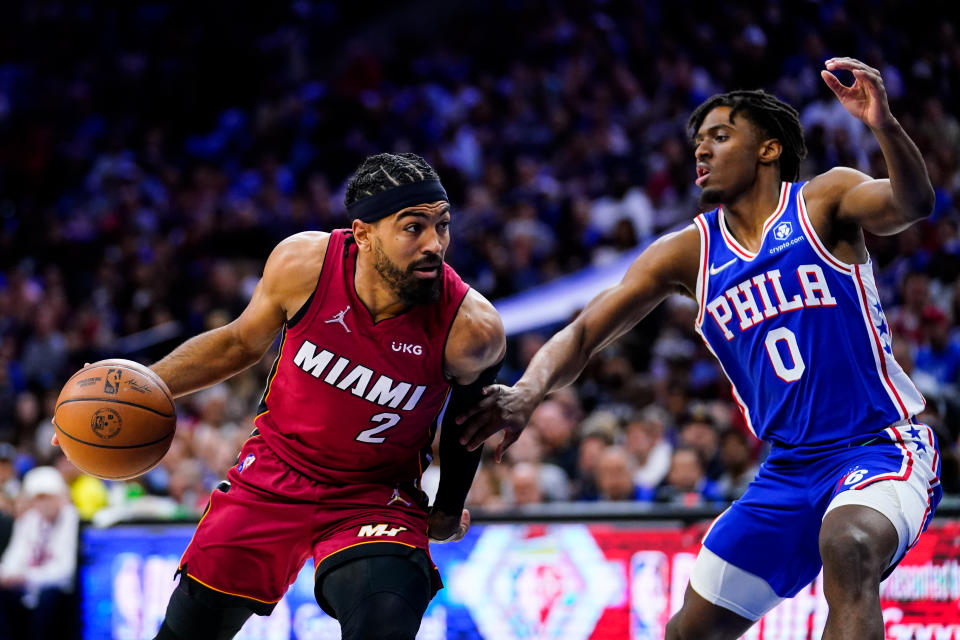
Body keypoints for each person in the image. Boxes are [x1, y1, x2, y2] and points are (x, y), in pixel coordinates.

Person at [458, 57, 939, 639]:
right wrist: (527, 392)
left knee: (849, 546)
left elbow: (913, 205)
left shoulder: (823, 200)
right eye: (697, 143)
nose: (701, 152)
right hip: (788, 469)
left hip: (879, 446)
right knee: (688, 632)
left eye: (719, 136)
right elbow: (585, 332)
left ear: (766, 149)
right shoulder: (688, 252)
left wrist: (883, 124)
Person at [57, 153, 505, 640]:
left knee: (384, 619)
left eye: (442, 225)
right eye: (413, 228)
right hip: (272, 476)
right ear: (362, 234)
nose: (434, 245)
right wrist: (133, 390)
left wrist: (445, 509)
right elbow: (238, 342)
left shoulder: (471, 327)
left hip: (374, 496)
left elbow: (470, 423)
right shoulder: (305, 264)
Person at [0, 466, 78, 640]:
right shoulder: (29, 519)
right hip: (26, 589)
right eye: (38, 498)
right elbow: (13, 557)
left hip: (55, 591)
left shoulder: (70, 518)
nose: (43, 504)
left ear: (60, 497)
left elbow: (65, 571)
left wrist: (27, 577)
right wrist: (8, 575)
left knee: (47, 598)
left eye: (47, 498)